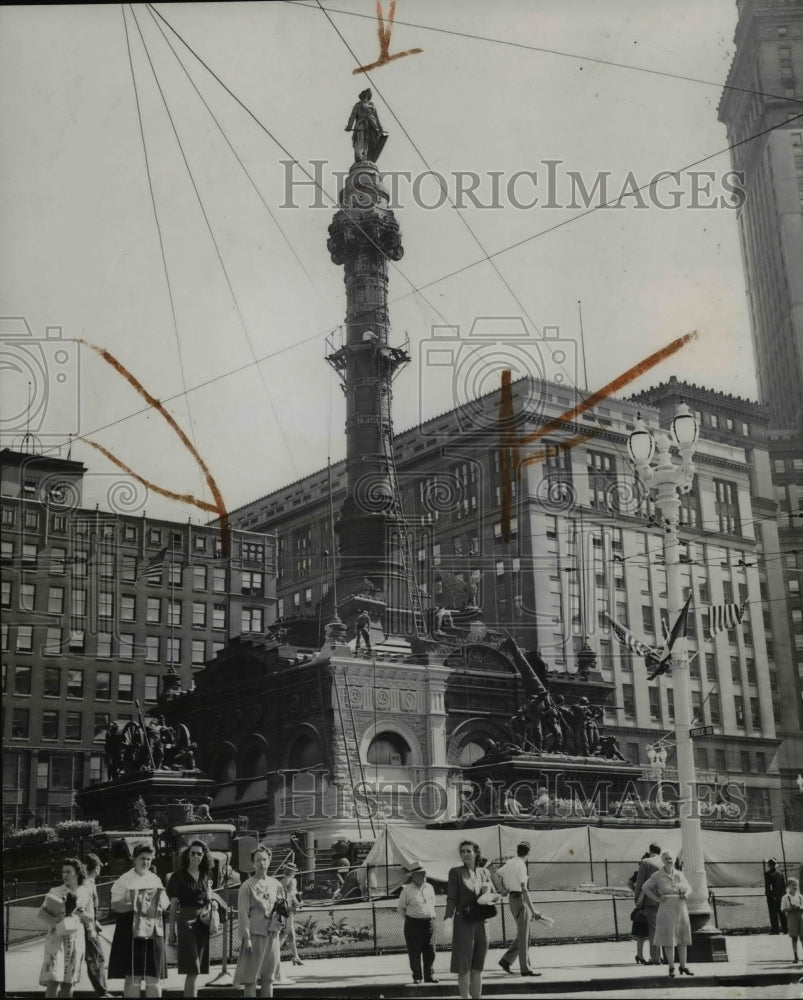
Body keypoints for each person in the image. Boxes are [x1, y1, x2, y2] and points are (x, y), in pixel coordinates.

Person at [108, 842, 170, 999]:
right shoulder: (125, 879)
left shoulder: (155, 879)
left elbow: (164, 903)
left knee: (153, 977)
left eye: (149, 859)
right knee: (133, 978)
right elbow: (116, 905)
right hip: (130, 931)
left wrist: (154, 905)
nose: (146, 862)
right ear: (134, 859)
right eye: (142, 858)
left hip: (154, 931)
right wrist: (138, 904)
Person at [233, 846, 286, 998]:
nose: (261, 863)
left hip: (272, 935)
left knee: (269, 979)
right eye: (258, 860)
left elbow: (283, 910)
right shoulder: (247, 886)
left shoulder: (277, 884)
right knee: (250, 979)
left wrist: (280, 927)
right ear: (253, 864)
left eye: (264, 860)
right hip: (254, 936)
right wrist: (246, 938)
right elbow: (243, 914)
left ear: (269, 862)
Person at [166, 840, 218, 998]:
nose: (196, 856)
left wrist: (212, 900)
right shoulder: (178, 876)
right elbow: (174, 905)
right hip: (186, 922)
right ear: (187, 855)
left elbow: (208, 898)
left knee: (197, 971)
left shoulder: (206, 875)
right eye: (193, 853)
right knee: (192, 969)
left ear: (204, 857)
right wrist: (171, 931)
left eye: (199, 854)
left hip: (202, 922)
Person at [444, 840, 494, 999]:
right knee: (464, 967)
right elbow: (451, 898)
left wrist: (490, 898)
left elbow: (491, 894)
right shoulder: (456, 872)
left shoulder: (484, 873)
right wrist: (447, 918)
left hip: (482, 922)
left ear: (476, 853)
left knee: (478, 967)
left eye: (468, 851)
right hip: (464, 923)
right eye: (463, 851)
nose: (465, 854)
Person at [38, 857, 94, 999]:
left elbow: (91, 918)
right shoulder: (55, 891)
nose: (65, 875)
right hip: (56, 937)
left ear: (78, 873)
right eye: (63, 872)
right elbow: (41, 914)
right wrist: (57, 918)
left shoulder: (85, 892)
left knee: (69, 982)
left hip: (75, 937)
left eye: (69, 871)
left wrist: (83, 913)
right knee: (54, 978)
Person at [640, 850, 693, 978]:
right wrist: (657, 898)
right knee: (669, 939)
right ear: (663, 861)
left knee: (682, 938)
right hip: (666, 908)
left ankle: (683, 966)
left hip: (680, 907)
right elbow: (645, 887)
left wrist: (686, 894)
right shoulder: (657, 875)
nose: (669, 860)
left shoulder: (680, 874)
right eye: (667, 858)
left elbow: (689, 887)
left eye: (671, 858)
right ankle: (671, 967)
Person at [497, 842, 541, 977]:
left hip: (512, 899)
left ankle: (506, 960)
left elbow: (497, 875)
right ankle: (526, 969)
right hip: (520, 899)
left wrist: (501, 890)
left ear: (517, 851)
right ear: (528, 853)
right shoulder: (521, 865)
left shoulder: (510, 862)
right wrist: (534, 911)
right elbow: (524, 888)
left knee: (525, 936)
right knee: (524, 937)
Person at [397, 862, 438, 986]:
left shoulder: (430, 887)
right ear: (413, 876)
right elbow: (401, 908)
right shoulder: (407, 890)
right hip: (413, 923)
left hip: (430, 922)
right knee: (415, 951)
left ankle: (429, 975)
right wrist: (410, 920)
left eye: (424, 873)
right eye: (420, 873)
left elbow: (433, 903)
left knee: (431, 950)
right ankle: (417, 976)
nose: (424, 875)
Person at [83, 853, 110, 997]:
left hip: (91, 925)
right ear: (96, 867)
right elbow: (85, 907)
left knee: (96, 958)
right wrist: (90, 928)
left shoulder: (90, 882)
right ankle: (102, 993)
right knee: (95, 959)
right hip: (87, 927)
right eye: (99, 866)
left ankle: (102, 991)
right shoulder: (87, 883)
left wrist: (95, 922)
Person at [634, 843, 663, 965]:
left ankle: (655, 958)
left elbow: (640, 883)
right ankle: (664, 957)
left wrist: (638, 901)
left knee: (653, 929)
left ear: (650, 851)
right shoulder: (665, 861)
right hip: (666, 899)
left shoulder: (646, 862)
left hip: (651, 900)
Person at [345, 88, 387, 162]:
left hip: (372, 126)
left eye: (367, 97)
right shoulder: (358, 105)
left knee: (370, 141)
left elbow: (377, 118)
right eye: (364, 96)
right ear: (362, 97)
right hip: (361, 124)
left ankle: (367, 155)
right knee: (360, 139)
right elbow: (353, 116)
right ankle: (359, 155)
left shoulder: (372, 106)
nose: (365, 98)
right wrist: (349, 126)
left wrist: (380, 128)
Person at [278, 861, 303, 967]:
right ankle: (272, 954)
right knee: (285, 932)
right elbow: (292, 894)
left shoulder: (281, 881)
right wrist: (299, 903)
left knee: (291, 933)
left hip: (283, 907)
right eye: (294, 871)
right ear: (291, 872)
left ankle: (295, 956)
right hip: (289, 908)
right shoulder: (293, 881)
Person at [630, 852, 651, 964]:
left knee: (641, 934)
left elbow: (629, 883)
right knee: (650, 931)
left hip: (642, 904)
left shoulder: (638, 873)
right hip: (646, 904)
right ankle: (651, 955)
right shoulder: (649, 874)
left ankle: (640, 955)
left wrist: (635, 891)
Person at [781, 876, 803, 963]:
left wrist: (799, 907)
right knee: (794, 938)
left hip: (801, 917)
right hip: (791, 918)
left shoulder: (800, 896)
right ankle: (795, 956)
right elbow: (782, 909)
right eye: (793, 885)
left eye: (796, 885)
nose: (795, 887)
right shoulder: (785, 897)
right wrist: (790, 908)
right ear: (788, 886)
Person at [766, 858, 788, 934]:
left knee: (773, 914)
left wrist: (769, 895)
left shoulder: (768, 874)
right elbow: (784, 886)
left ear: (769, 865)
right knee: (782, 914)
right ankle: (786, 929)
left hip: (772, 897)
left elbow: (768, 886)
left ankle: (775, 930)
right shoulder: (781, 873)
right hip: (781, 896)